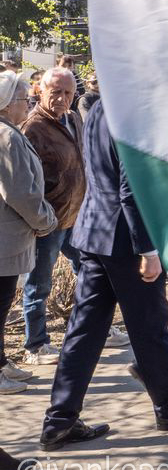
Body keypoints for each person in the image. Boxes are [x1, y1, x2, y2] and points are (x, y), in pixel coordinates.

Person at [40, 99, 168, 452]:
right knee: (150, 328)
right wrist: (148, 252)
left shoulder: (100, 107)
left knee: (84, 332)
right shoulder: (134, 112)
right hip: (126, 241)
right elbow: (132, 190)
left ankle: (59, 420)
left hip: (95, 232)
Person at [20, 67, 86, 366]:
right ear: (40, 91)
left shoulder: (73, 118)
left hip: (76, 215)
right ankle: (35, 345)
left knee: (90, 273)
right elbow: (25, 180)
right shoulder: (32, 127)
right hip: (49, 221)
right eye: (55, 92)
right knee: (39, 284)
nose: (62, 98)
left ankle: (88, 329)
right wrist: (40, 216)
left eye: (68, 93)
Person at [0, 73, 58, 395]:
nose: (30, 103)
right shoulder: (6, 137)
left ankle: (1, 362)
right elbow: (21, 193)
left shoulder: (9, 132)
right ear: (7, 104)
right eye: (25, 99)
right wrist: (46, 221)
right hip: (5, 240)